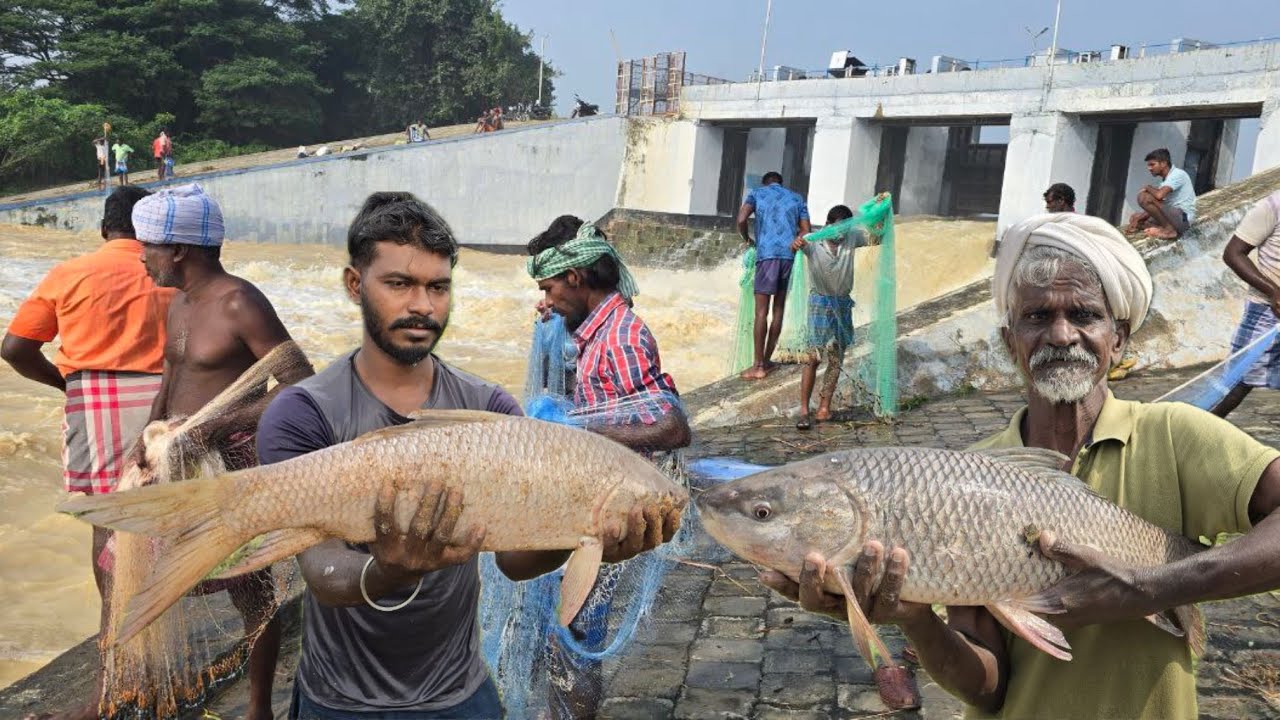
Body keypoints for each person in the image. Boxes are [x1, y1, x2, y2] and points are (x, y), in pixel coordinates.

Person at [761, 213, 1280, 719]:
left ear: (1117, 338)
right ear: (1010, 341)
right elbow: (986, 688)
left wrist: (1155, 586)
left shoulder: (1176, 436)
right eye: (1037, 317)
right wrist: (915, 618)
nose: (1061, 335)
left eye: (1084, 315)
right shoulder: (962, 479)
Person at [253, 193, 669, 719]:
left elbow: (516, 562)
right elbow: (321, 569)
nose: (423, 306)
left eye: (438, 287)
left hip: (460, 693)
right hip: (339, 700)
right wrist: (388, 572)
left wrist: (588, 537)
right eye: (399, 284)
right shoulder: (301, 412)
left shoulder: (490, 408)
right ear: (355, 285)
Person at [133, 183, 313, 720]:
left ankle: (259, 710)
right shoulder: (180, 304)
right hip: (177, 463)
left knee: (251, 593)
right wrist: (143, 443)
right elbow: (171, 378)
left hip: (229, 463)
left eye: (149, 247)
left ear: (179, 249)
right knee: (133, 564)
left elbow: (299, 383)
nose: (143, 258)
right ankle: (129, 689)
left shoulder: (240, 301)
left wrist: (215, 427)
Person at [2, 186, 173, 720]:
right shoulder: (170, 273)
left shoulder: (69, 273)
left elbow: (14, 349)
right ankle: (160, 645)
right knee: (167, 522)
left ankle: (117, 668)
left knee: (109, 528)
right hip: (169, 409)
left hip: (94, 403)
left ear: (105, 228)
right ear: (149, 232)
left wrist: (65, 386)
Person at [527, 215, 692, 718]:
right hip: (591, 507)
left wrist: (581, 431)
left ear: (576, 278)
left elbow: (670, 425)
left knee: (574, 637)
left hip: (609, 519)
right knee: (564, 636)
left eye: (550, 288)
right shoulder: (595, 329)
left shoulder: (620, 338)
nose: (547, 300)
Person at [791, 204, 878, 430]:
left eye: (845, 230)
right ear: (828, 225)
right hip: (819, 302)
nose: (841, 236)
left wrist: (879, 210)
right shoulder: (813, 240)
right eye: (837, 230)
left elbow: (878, 238)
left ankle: (824, 408)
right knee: (813, 358)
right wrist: (797, 244)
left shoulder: (852, 237)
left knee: (836, 357)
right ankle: (803, 410)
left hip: (842, 303)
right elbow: (796, 246)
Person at [737, 171, 811, 380]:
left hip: (766, 256)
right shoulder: (796, 198)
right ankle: (767, 361)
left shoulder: (757, 194)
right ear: (780, 182)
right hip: (788, 256)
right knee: (778, 310)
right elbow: (806, 230)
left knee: (761, 312)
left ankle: (758, 366)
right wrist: (796, 240)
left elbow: (741, 219)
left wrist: (748, 239)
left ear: (765, 182)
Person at [1212, 191, 1280, 418]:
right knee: (1236, 384)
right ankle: (1192, 434)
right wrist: (1273, 291)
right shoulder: (1272, 207)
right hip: (1268, 312)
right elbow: (1233, 253)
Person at [1127, 148, 1197, 240]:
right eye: (1148, 165)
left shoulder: (1178, 174)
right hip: (1174, 216)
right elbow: (1156, 205)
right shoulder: (1165, 182)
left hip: (1184, 218)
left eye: (1152, 164)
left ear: (1163, 164)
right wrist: (1138, 219)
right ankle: (1161, 228)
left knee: (1143, 197)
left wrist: (1147, 187)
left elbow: (1159, 196)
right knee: (1135, 218)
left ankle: (1169, 231)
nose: (1149, 168)